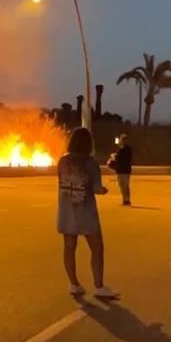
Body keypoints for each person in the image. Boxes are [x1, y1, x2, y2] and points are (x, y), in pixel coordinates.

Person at [57, 127, 119, 300]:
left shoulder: (62, 161)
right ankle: (99, 286)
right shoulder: (90, 163)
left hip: (66, 210)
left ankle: (74, 284)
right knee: (97, 248)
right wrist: (104, 190)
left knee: (69, 248)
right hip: (86, 211)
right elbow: (97, 188)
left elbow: (61, 180)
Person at [109, 134, 134, 206]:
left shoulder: (124, 149)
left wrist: (114, 156)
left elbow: (119, 158)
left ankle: (126, 200)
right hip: (124, 170)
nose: (121, 141)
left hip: (123, 170)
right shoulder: (124, 149)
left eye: (122, 140)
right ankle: (126, 199)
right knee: (124, 185)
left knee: (124, 186)